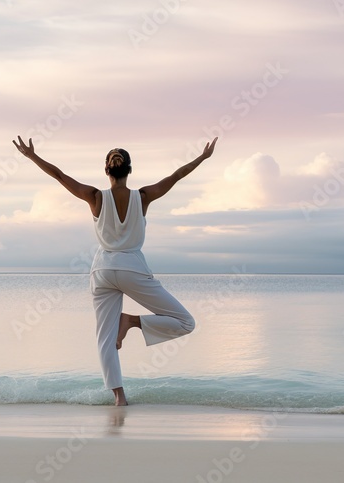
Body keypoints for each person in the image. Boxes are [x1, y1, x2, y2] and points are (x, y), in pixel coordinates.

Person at [12, 135, 218, 405]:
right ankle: (131, 321)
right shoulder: (142, 197)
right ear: (128, 170)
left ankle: (120, 398)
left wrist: (32, 157)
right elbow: (176, 175)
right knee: (186, 323)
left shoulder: (95, 196)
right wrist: (202, 158)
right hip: (132, 268)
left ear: (107, 170)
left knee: (105, 339)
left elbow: (60, 176)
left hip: (103, 272)